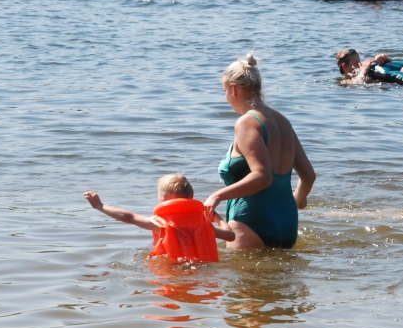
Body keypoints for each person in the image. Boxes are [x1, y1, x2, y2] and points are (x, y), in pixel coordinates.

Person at [204, 53, 316, 249]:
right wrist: (296, 201)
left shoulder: (247, 122)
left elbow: (263, 177)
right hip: (287, 223)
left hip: (251, 222)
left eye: (224, 91)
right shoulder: (283, 121)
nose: (226, 98)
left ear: (233, 89)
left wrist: (217, 196)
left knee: (242, 278)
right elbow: (309, 176)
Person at [83, 174, 235, 242]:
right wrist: (215, 216)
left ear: (163, 201)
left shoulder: (160, 224)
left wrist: (99, 206)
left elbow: (128, 217)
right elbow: (231, 236)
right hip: (204, 267)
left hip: (173, 268)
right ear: (192, 197)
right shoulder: (204, 224)